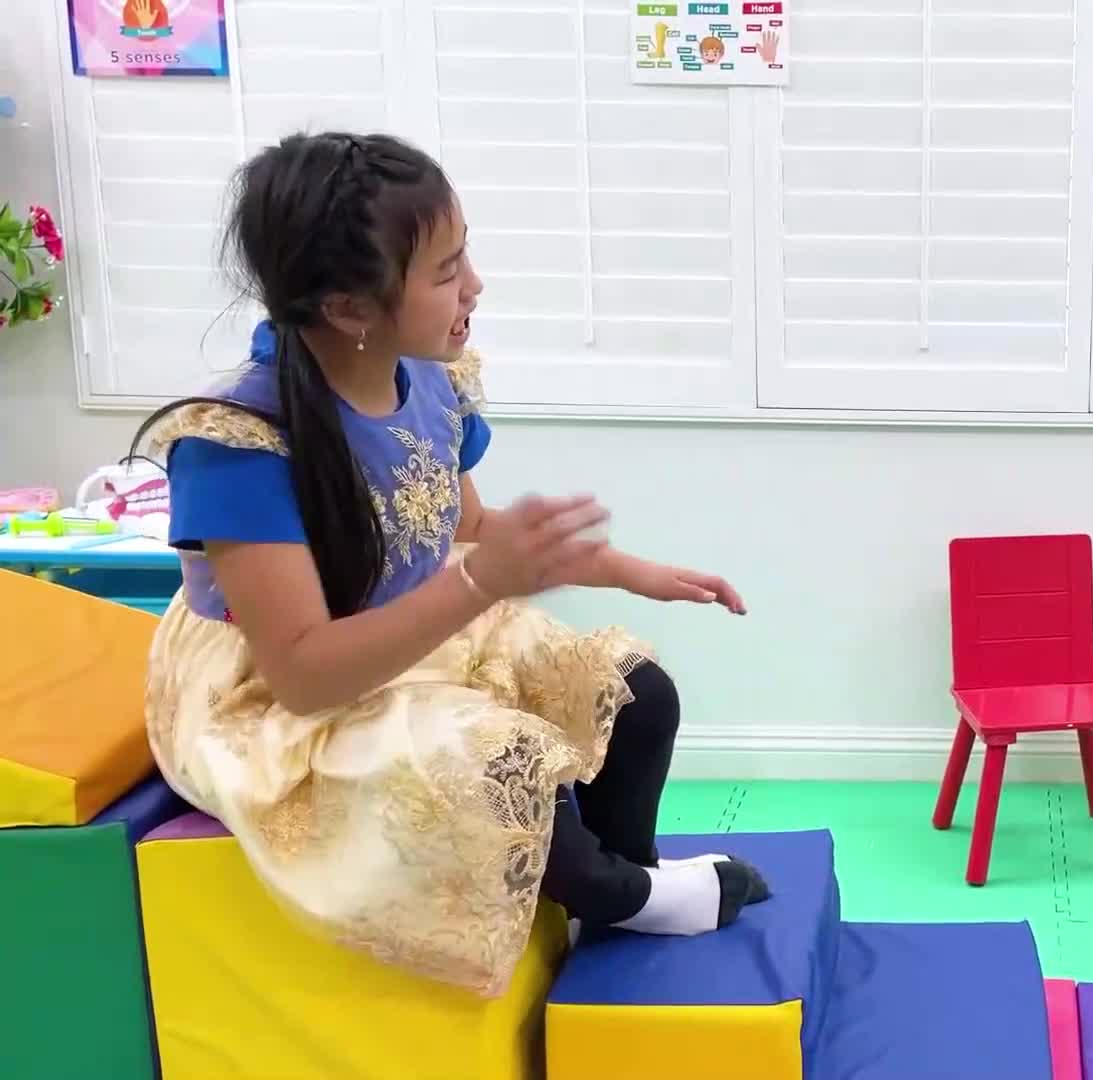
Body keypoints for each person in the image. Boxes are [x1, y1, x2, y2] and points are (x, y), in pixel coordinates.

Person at [132, 131, 769, 997]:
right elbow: (306, 676)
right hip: (275, 697)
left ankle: (620, 891)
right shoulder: (239, 445)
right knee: (501, 758)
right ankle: (628, 896)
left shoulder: (424, 377)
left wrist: (624, 569)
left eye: (465, 257)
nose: (474, 288)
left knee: (636, 691)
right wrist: (480, 583)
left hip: (411, 633)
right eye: (444, 273)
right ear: (352, 307)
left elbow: (461, 520)